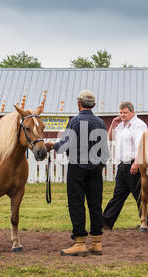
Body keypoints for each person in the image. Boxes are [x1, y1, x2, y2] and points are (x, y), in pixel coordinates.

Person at [45, 90, 109, 257]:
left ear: (79, 103)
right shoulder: (100, 123)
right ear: (94, 105)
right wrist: (101, 164)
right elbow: (104, 150)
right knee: (95, 204)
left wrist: (53, 146)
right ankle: (97, 242)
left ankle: (80, 242)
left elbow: (65, 144)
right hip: (95, 168)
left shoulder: (74, 121)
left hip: (77, 166)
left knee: (76, 203)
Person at [102, 101, 148, 230]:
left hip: (134, 164)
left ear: (132, 112)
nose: (122, 115)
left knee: (139, 195)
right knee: (118, 194)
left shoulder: (138, 125)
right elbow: (110, 138)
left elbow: (141, 145)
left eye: (125, 112)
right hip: (122, 165)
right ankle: (105, 222)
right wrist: (114, 123)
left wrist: (136, 163)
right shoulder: (121, 126)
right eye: (120, 112)